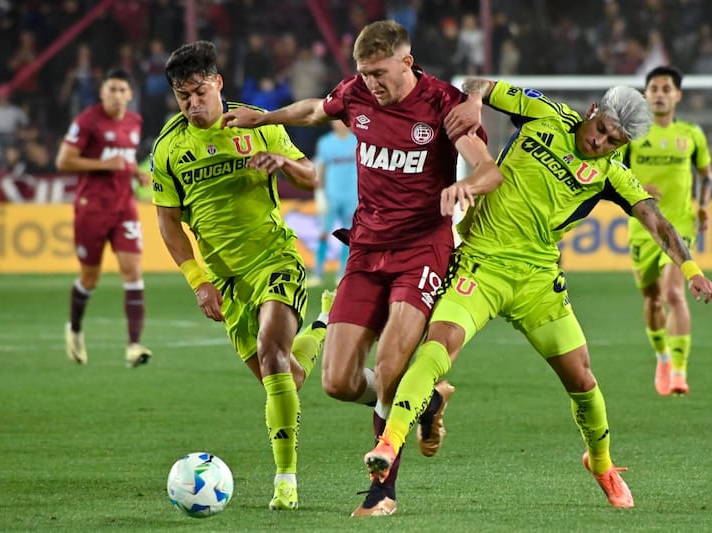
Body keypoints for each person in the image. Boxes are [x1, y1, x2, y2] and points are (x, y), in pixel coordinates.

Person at [363, 78, 712, 509]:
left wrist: (691, 269)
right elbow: (476, 82)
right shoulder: (544, 113)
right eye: (603, 129)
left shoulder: (612, 173)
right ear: (593, 109)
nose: (602, 142)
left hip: (538, 283)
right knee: (437, 347)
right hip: (482, 265)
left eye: (615, 141)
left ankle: (602, 463)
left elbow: (657, 222)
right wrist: (477, 102)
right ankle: (389, 443)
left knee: (583, 380)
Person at [222, 20, 501, 517]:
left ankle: (383, 492)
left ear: (406, 62)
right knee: (337, 381)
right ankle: (426, 401)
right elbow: (312, 109)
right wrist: (263, 118)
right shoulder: (355, 94)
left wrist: (467, 188)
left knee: (392, 368)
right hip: (367, 248)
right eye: (364, 73)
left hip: (422, 250)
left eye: (379, 72)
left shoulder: (443, 104)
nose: (371, 82)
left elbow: (488, 168)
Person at [150, 40, 333, 511]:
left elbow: (311, 177)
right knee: (286, 376)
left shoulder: (256, 123)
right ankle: (322, 330)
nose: (192, 104)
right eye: (182, 96)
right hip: (225, 280)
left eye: (199, 92)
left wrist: (284, 162)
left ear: (218, 84)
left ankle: (285, 481)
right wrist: (198, 280)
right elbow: (168, 222)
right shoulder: (168, 149)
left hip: (274, 258)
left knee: (273, 355)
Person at [622, 66, 712, 396]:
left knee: (675, 293)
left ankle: (678, 370)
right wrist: (634, 186)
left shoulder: (691, 134)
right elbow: (611, 172)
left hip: (680, 227)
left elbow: (706, 175)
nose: (659, 93)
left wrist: (703, 205)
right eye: (654, 88)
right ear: (646, 95)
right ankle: (662, 359)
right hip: (642, 229)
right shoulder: (632, 135)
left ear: (678, 95)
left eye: (666, 88)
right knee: (652, 300)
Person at [56, 68, 153, 368]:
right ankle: (74, 329)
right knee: (90, 277)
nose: (117, 95)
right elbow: (63, 161)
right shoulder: (87, 121)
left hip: (124, 205)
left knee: (133, 271)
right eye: (111, 89)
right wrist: (102, 163)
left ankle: (134, 346)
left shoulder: (134, 122)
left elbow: (122, 160)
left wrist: (134, 171)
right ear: (102, 92)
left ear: (130, 95)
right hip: (92, 208)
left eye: (122, 90)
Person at [308, 119, 358, 287]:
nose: (340, 123)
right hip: (331, 195)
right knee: (323, 233)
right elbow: (320, 168)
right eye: (336, 120)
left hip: (353, 195)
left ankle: (342, 272)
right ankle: (317, 273)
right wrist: (320, 193)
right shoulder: (325, 142)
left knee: (349, 235)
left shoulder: (358, 140)